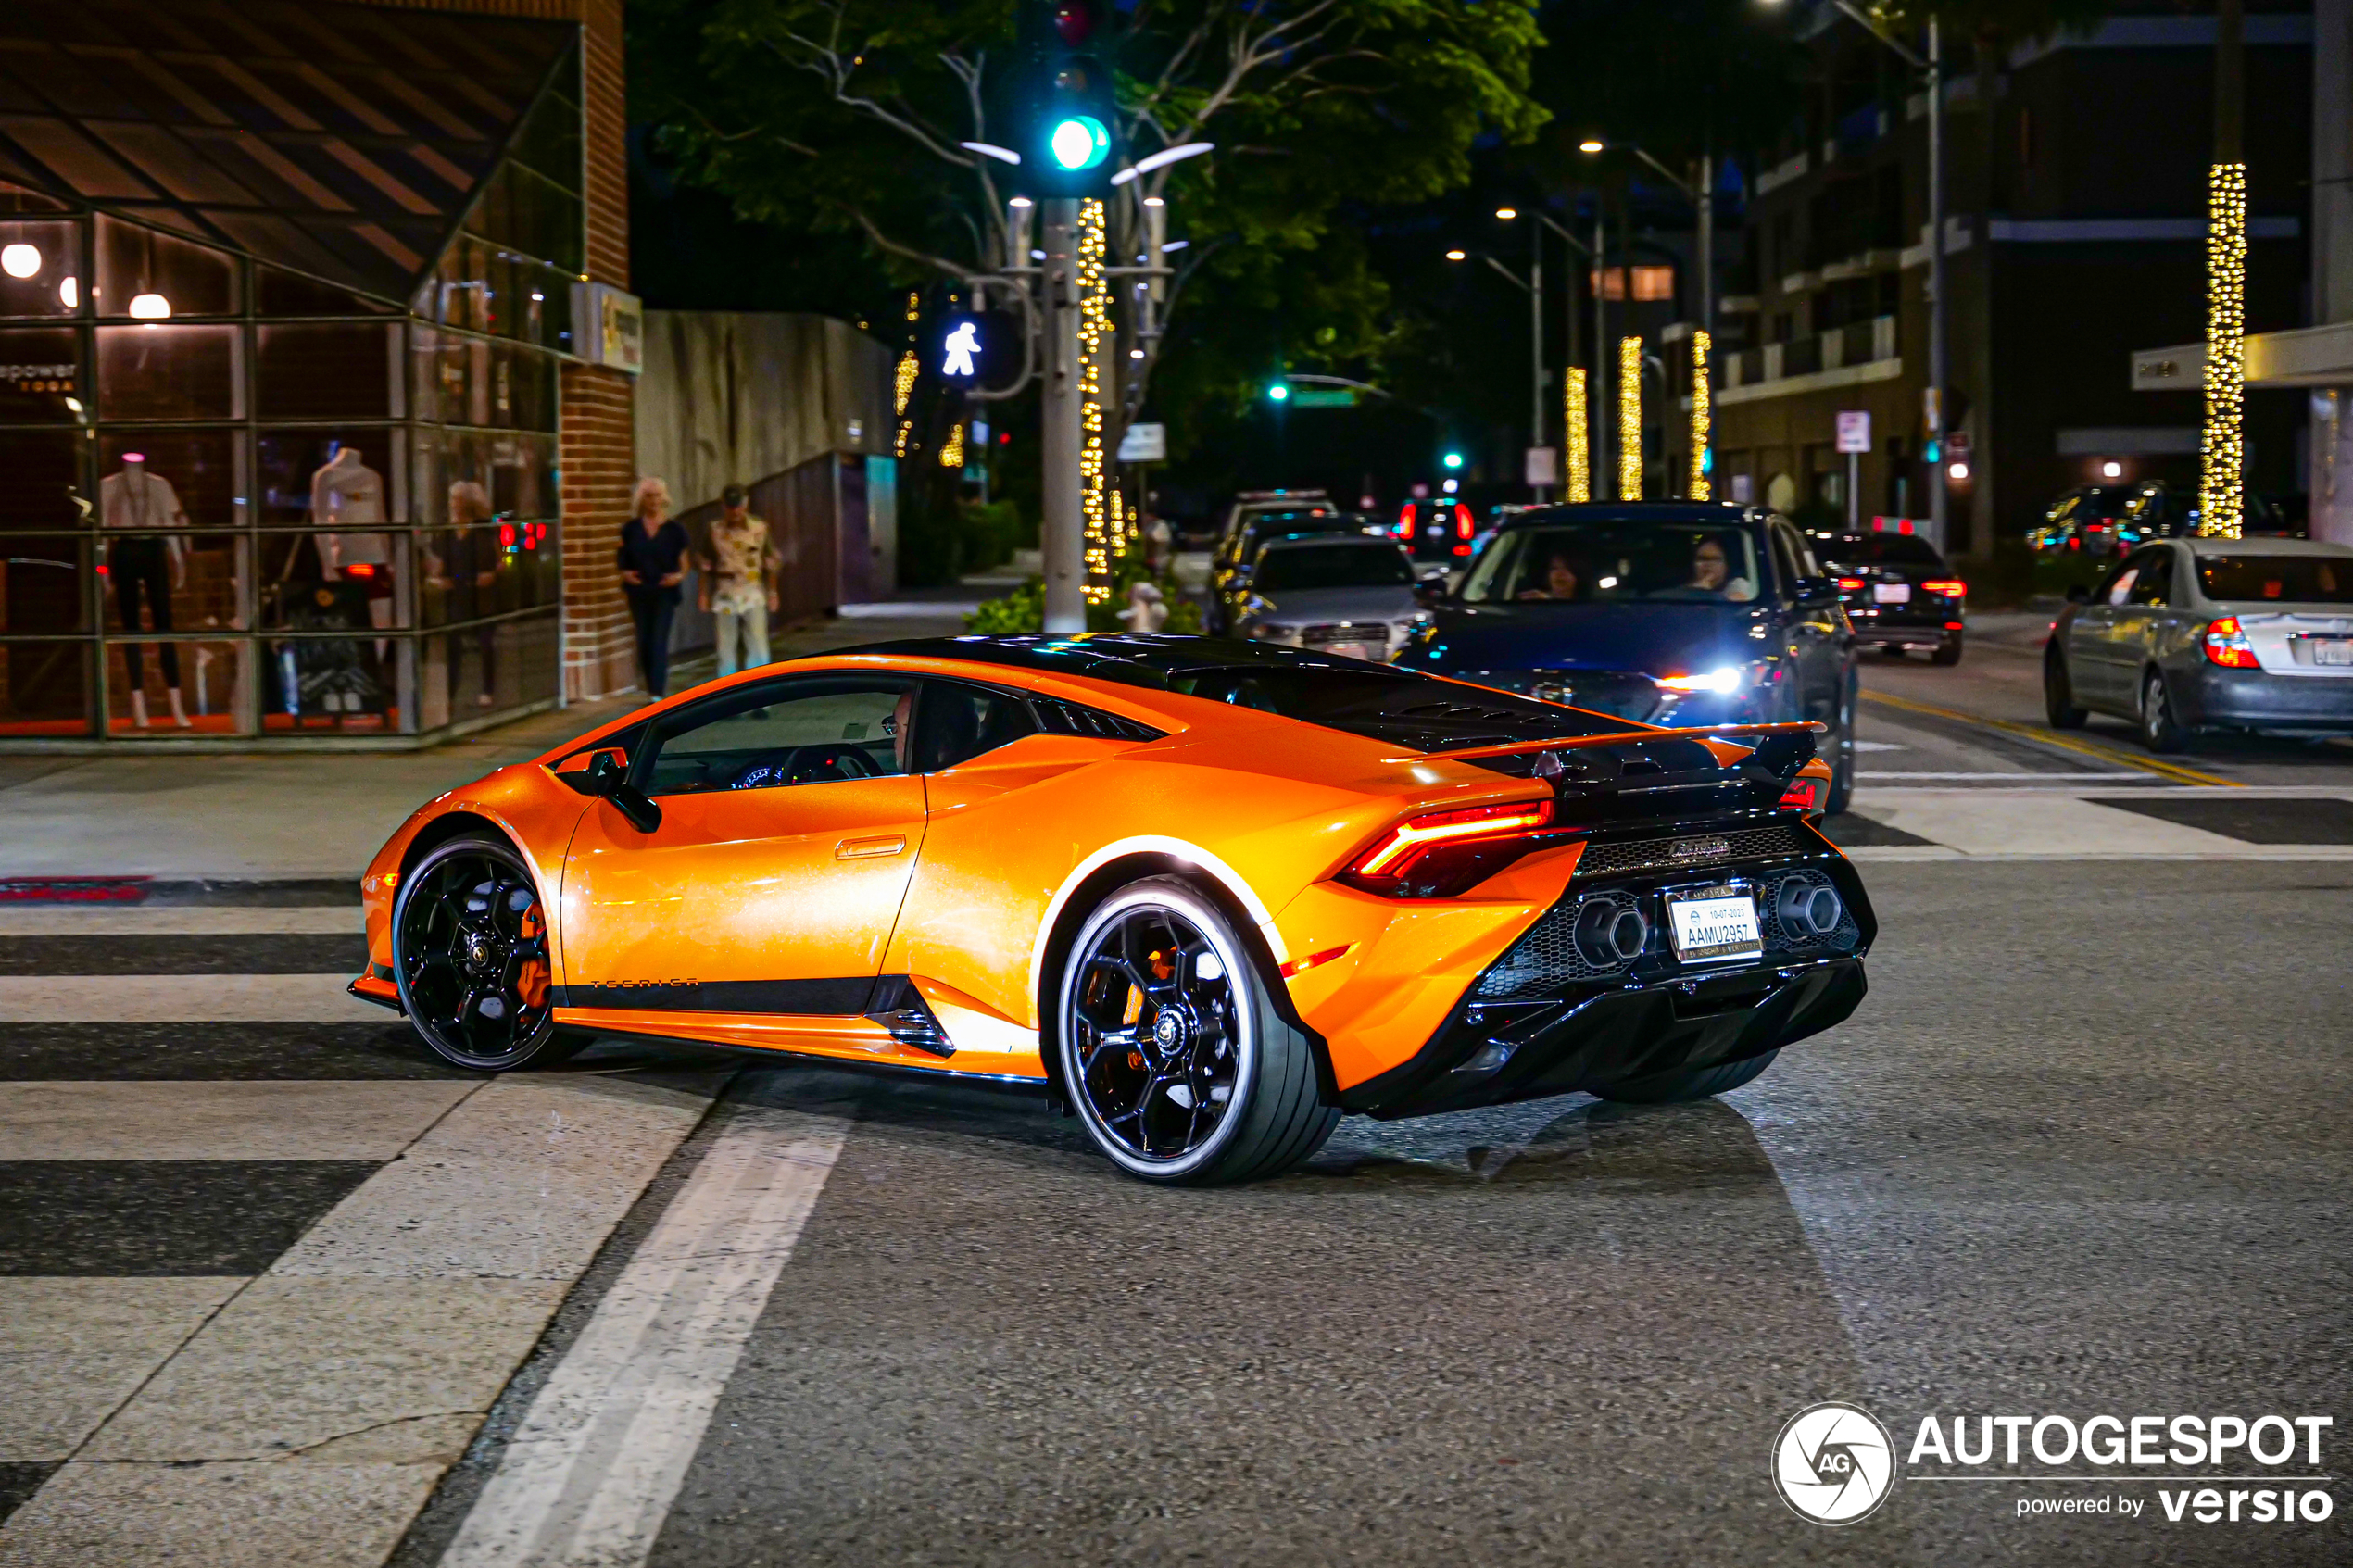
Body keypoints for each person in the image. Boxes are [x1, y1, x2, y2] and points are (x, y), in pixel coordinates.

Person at [698, 483, 780, 677]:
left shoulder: (759, 529)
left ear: (746, 504)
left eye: (739, 506)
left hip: (752, 590)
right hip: (726, 590)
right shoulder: (714, 530)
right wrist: (703, 592)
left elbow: (771, 562)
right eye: (730, 506)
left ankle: (759, 695)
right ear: (724, 506)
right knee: (726, 648)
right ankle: (728, 695)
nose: (735, 511)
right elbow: (704, 562)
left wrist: (773, 592)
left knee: (758, 644)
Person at [618, 477, 689, 697]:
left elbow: (684, 563)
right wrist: (625, 574)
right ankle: (650, 686)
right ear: (642, 499)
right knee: (644, 640)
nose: (653, 501)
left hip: (664, 592)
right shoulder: (630, 529)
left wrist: (678, 577)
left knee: (658, 639)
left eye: (657, 496)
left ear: (664, 498)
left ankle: (657, 692)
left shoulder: (675, 530)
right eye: (649, 496)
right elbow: (621, 557)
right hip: (639, 591)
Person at [1687, 536, 1757, 602]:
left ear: (1726, 565)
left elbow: (1732, 609)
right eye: (1702, 559)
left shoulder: (1738, 586)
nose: (1708, 565)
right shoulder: (1684, 590)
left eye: (1715, 559)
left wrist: (1705, 594)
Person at [1516, 549, 1588, 602]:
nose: (1559, 573)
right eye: (1554, 568)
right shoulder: (1536, 598)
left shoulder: (1587, 602)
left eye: (1567, 568)